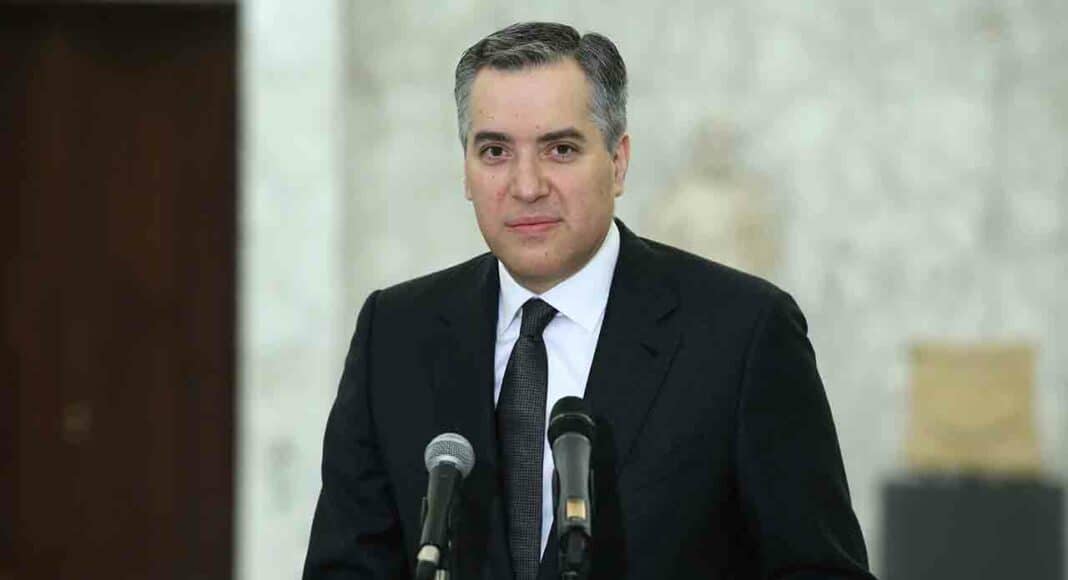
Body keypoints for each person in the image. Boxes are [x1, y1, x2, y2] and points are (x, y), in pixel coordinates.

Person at [303, 22, 874, 580]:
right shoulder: (395, 334)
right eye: (495, 151)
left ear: (618, 162)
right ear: (466, 171)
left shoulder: (743, 333)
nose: (527, 186)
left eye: (560, 149)